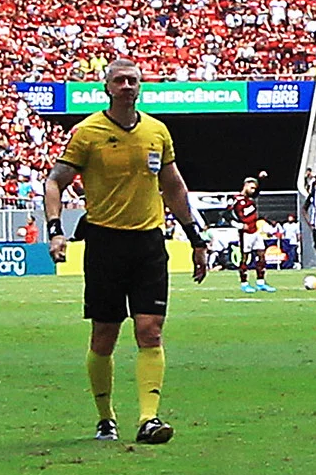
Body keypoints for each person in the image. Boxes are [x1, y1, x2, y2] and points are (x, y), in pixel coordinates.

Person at [43, 57, 210, 444]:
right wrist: (55, 230)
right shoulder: (88, 133)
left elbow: (173, 187)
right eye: (119, 81)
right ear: (106, 88)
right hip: (105, 242)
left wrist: (195, 237)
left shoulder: (156, 131)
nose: (126, 86)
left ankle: (149, 418)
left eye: (132, 80)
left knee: (150, 331)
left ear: (140, 86)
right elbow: (55, 181)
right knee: (104, 334)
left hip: (148, 242)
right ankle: (105, 417)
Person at [233, 175, 275, 292]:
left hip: (255, 231)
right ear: (245, 185)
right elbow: (226, 215)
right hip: (245, 233)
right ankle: (244, 283)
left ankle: (260, 282)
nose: (253, 190)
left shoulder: (251, 200)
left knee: (261, 256)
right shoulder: (236, 200)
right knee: (245, 258)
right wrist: (241, 225)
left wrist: (262, 180)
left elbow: (258, 191)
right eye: (251, 188)